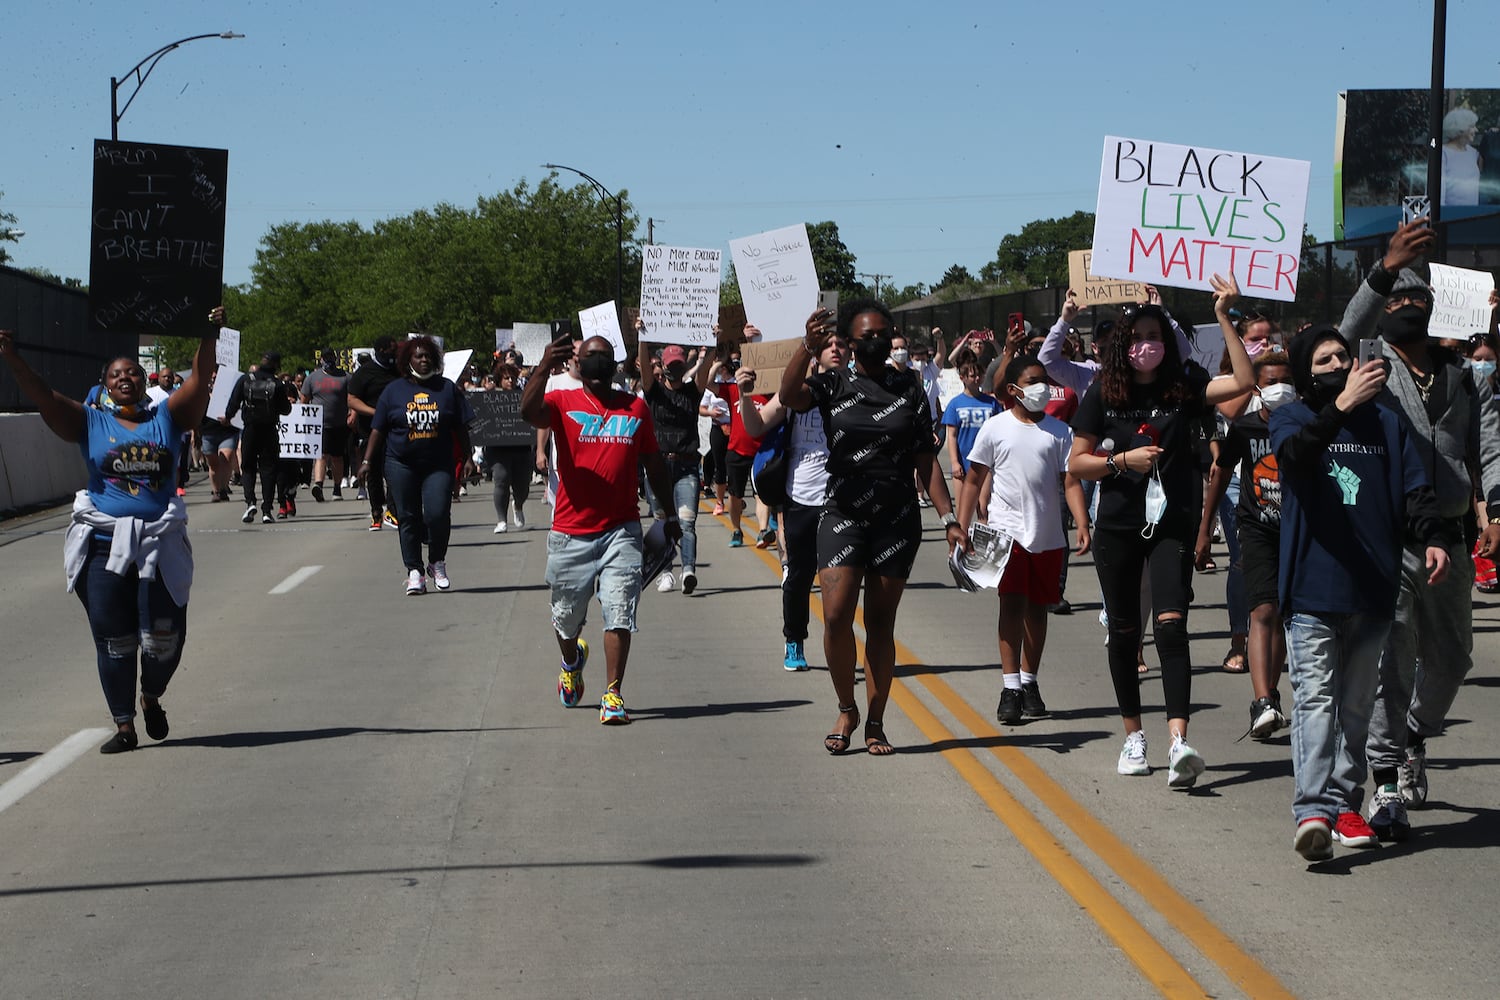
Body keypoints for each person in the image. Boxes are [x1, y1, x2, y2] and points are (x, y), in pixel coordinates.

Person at [1338, 220, 1500, 838]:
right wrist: (1386, 266)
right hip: (1392, 537)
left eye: (1417, 299)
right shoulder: (1369, 366)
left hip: (1454, 536)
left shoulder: (1463, 375)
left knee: (1454, 657)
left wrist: (1494, 510)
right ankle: (1385, 782)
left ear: (1434, 310)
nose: (1407, 306)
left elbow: (1488, 447)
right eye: (1397, 298)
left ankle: (1413, 736)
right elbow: (1345, 328)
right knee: (1392, 661)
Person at [0, 309, 221, 753]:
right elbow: (44, 397)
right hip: (103, 544)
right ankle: (124, 725)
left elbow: (198, 383)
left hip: (158, 543)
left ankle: (152, 695)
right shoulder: (90, 421)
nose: (126, 378)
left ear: (145, 383)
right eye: (117, 374)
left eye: (134, 373)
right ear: (104, 385)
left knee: (164, 638)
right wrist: (10, 356)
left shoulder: (167, 418)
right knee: (114, 638)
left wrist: (208, 334)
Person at [1271, 324, 1452, 862]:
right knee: (1315, 701)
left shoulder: (1389, 424)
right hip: (1311, 590)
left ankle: (1345, 802)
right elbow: (1297, 457)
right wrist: (1342, 406)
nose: (1336, 365)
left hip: (1373, 589)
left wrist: (1434, 539)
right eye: (1324, 359)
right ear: (1307, 373)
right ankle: (1311, 812)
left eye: (1342, 357)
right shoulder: (1293, 417)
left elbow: (1416, 490)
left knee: (1355, 706)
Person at [1069, 273, 1252, 787]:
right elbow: (1077, 464)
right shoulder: (1103, 394)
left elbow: (1243, 381)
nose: (1146, 345)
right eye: (1137, 338)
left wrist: (1222, 316)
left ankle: (1178, 740)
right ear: (1123, 347)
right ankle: (1133, 736)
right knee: (1125, 633)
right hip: (1119, 527)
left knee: (1172, 625)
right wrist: (1121, 460)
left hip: (1172, 525)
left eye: (1155, 337)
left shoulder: (1185, 388)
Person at [780, 301, 966, 755]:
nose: (877, 342)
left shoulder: (912, 387)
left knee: (881, 624)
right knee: (837, 615)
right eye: (867, 336)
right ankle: (847, 707)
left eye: (884, 333)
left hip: (897, 518)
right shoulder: (832, 383)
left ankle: (876, 721)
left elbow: (927, 460)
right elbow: (788, 396)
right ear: (849, 341)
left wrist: (949, 518)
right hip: (844, 512)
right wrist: (807, 348)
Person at [521, 333, 681, 725]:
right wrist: (543, 365)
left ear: (615, 365)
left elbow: (654, 463)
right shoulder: (562, 401)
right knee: (565, 618)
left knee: (619, 611)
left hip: (621, 531)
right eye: (589, 356)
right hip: (571, 532)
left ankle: (613, 693)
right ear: (577, 362)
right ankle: (572, 659)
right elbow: (528, 413)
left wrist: (668, 514)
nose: (597, 362)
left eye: (604, 357)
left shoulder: (635, 408)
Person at [958, 353, 1090, 725]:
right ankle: (1010, 685)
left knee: (1038, 609)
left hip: (1047, 534)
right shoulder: (995, 428)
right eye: (1033, 382)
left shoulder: (1060, 432)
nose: (1042, 388)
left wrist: (1081, 522)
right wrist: (961, 526)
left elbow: (1070, 481)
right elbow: (973, 480)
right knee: (1011, 606)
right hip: (1004, 534)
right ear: (1014, 389)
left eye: (1044, 380)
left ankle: (1030, 682)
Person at [1196, 351, 1296, 738]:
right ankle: (1262, 701)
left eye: (1286, 380)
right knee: (1262, 610)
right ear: (1257, 388)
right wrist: (1204, 530)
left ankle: (1272, 692)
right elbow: (1220, 473)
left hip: (1296, 532)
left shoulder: (1308, 426)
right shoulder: (1247, 428)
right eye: (1271, 382)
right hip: (1256, 529)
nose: (1280, 388)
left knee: (1284, 616)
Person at [738, 331, 848, 671]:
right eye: (828, 344)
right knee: (799, 576)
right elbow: (755, 426)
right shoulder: (793, 393)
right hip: (801, 498)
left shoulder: (857, 392)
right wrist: (744, 396)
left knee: (840, 578)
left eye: (841, 344)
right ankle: (794, 640)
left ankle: (837, 643)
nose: (835, 349)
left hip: (842, 500)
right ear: (814, 354)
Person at [358, 336, 476, 595]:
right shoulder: (393, 391)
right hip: (401, 464)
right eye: (418, 356)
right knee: (408, 517)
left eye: (428, 356)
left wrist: (468, 457)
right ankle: (414, 571)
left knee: (437, 514)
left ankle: (437, 562)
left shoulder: (446, 389)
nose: (423, 360)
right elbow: (378, 429)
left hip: (438, 464)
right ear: (407, 360)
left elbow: (460, 426)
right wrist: (367, 461)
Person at [637, 328, 714, 595]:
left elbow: (704, 372)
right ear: (664, 367)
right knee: (662, 521)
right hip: (658, 466)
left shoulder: (693, 393)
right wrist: (642, 339)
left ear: (684, 366)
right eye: (670, 366)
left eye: (679, 365)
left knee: (687, 521)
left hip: (687, 465)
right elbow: (645, 371)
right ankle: (666, 572)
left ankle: (688, 570)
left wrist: (712, 343)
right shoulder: (654, 393)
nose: (674, 370)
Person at [226, 350, 293, 525]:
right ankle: (267, 509)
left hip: (249, 429)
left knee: (247, 467)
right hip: (269, 430)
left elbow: (233, 402)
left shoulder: (246, 380)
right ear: (276, 365)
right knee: (268, 470)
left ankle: (250, 502)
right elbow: (286, 409)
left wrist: (227, 417)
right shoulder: (277, 383)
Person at [348, 337, 401, 531]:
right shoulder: (364, 373)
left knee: (395, 471)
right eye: (391, 351)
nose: (394, 356)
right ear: (380, 350)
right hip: (370, 429)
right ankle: (376, 511)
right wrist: (375, 412)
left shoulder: (399, 371)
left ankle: (393, 511)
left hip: (396, 430)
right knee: (373, 472)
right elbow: (352, 400)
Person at [941, 351, 1000, 487]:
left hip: (986, 463)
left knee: (983, 507)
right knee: (963, 507)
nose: (976, 379)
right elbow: (952, 436)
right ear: (962, 378)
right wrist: (955, 462)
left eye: (979, 375)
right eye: (972, 376)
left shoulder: (992, 403)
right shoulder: (955, 404)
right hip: (963, 462)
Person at [300, 347, 351, 502]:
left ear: (334, 359)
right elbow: (304, 400)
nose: (328, 360)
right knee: (321, 455)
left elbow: (352, 398)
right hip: (320, 425)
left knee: (337, 457)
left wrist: (352, 414)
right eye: (325, 357)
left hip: (340, 424)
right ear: (320, 359)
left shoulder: (345, 377)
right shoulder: (312, 378)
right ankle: (319, 485)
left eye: (330, 357)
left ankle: (337, 488)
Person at [486, 363, 532, 533]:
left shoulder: (523, 396)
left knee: (522, 486)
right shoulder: (490, 397)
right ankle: (501, 520)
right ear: (499, 380)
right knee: (501, 480)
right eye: (506, 378)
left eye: (513, 378)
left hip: (521, 447)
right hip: (498, 448)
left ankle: (518, 505)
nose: (510, 381)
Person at [1441, 108, 1483, 207]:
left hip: (1472, 216)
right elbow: (1437, 191)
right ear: (1460, 128)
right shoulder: (1442, 153)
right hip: (1450, 216)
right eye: (1472, 126)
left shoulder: (1473, 153)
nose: (1476, 130)